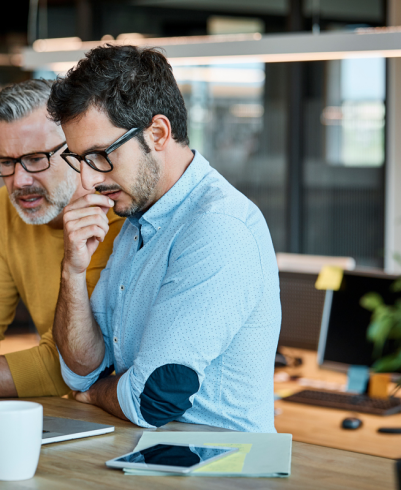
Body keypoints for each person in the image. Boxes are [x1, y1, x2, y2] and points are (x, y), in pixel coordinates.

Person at [48, 45, 281, 432]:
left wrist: (98, 394)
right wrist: (72, 271)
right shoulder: (136, 221)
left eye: (101, 156)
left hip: (220, 468)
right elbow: (82, 371)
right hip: (148, 457)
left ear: (158, 133)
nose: (88, 181)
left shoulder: (218, 227)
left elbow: (153, 399)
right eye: (79, 161)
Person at [0, 79, 124, 398]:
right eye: (6, 162)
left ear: (75, 150)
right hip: (71, 412)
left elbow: (70, 364)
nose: (19, 181)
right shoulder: (2, 211)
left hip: (130, 419)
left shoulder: (115, 217)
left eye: (36, 159)